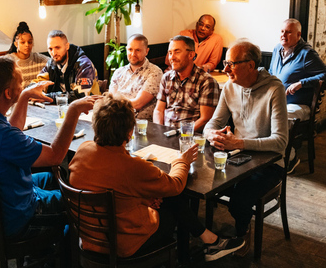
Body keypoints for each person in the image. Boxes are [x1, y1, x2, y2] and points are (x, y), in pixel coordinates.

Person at [69, 93, 244, 262]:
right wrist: (180, 161)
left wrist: (144, 199)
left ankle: (210, 239)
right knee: (175, 199)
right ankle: (202, 248)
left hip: (89, 238)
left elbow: (116, 186)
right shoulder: (134, 167)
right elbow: (175, 185)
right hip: (125, 245)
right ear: (130, 132)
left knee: (161, 196)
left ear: (95, 124)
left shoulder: (83, 149)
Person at [0, 56, 99, 240]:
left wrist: (25, 95)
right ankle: (58, 255)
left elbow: (11, 131)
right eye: (21, 83)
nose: (24, 85)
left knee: (52, 178)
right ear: (8, 93)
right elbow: (55, 156)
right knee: (79, 202)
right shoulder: (1, 135)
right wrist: (73, 111)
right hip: (14, 220)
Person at [204, 40, 288, 256]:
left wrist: (239, 143)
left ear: (250, 66)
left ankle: (242, 235)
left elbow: (280, 142)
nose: (225, 69)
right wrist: (211, 134)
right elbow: (211, 124)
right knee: (201, 186)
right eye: (225, 62)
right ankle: (204, 235)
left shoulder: (274, 88)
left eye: (232, 63)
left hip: (269, 163)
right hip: (237, 158)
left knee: (239, 201)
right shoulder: (230, 86)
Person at [269, 19, 326, 172]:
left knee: (282, 117)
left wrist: (301, 83)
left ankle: (290, 156)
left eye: (288, 32)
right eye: (282, 31)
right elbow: (272, 73)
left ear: (298, 35)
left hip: (298, 105)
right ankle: (269, 158)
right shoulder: (277, 49)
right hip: (278, 100)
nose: (284, 35)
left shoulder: (306, 54)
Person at [154, 35, 220, 131]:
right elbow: (158, 110)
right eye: (170, 53)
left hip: (190, 137)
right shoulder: (166, 77)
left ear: (191, 55)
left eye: (177, 52)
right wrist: (159, 130)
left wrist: (181, 134)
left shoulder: (206, 81)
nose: (172, 57)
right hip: (165, 133)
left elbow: (205, 119)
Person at [109, 34, 163, 120]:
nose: (133, 54)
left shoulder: (155, 72)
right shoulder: (118, 72)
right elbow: (110, 100)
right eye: (130, 49)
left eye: (138, 50)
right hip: (115, 121)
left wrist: (117, 103)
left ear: (146, 51)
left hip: (141, 124)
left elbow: (138, 104)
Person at [38, 30, 99, 102]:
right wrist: (33, 91)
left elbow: (80, 96)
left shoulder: (84, 64)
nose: (53, 53)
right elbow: (38, 83)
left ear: (67, 46)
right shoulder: (51, 63)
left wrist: (46, 97)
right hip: (65, 108)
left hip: (91, 108)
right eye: (50, 49)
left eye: (57, 48)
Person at [6, 21, 49, 87]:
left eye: (29, 42)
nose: (27, 45)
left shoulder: (40, 60)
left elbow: (53, 63)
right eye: (23, 42)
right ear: (16, 44)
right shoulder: (8, 61)